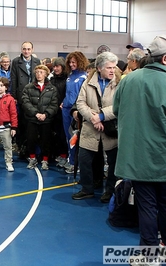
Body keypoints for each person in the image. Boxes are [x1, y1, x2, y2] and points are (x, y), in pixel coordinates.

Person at [113, 35, 166, 257]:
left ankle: (149, 254)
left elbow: (116, 110)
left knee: (147, 207)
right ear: (165, 58)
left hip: (137, 158)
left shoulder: (128, 80)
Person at [71, 52, 120, 203]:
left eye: (114, 67)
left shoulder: (119, 83)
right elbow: (80, 103)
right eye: (108, 67)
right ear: (99, 68)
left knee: (113, 162)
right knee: (84, 160)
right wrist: (93, 117)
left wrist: (101, 116)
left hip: (111, 129)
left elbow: (120, 105)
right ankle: (87, 189)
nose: (112, 70)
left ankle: (110, 191)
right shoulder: (88, 82)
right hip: (90, 128)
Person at [21, 65, 58, 170]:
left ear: (46, 74)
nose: (39, 74)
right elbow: (25, 102)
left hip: (46, 120)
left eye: (41, 72)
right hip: (32, 119)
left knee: (46, 140)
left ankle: (45, 160)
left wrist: (45, 114)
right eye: (37, 72)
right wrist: (35, 113)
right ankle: (32, 158)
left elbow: (54, 104)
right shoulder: (28, 87)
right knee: (31, 139)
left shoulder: (52, 89)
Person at [10, 41, 41, 157]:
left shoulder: (37, 61)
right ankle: (21, 146)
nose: (26, 51)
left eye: (28, 49)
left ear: (32, 50)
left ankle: (31, 147)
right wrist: (14, 96)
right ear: (21, 50)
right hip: (21, 95)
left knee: (32, 123)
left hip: (34, 94)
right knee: (22, 122)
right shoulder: (16, 62)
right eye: (24, 49)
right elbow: (13, 80)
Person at [61, 51, 89, 174]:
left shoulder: (84, 77)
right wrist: (63, 102)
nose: (71, 64)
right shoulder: (70, 76)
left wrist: (76, 109)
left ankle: (74, 163)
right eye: (70, 62)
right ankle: (70, 159)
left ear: (80, 62)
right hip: (65, 110)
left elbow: (82, 96)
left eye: (74, 62)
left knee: (75, 137)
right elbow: (68, 93)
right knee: (68, 137)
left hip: (75, 111)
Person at [49, 57, 68, 167]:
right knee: (55, 134)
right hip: (53, 110)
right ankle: (57, 154)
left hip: (63, 110)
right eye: (54, 66)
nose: (55, 68)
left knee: (63, 135)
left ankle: (64, 155)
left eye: (58, 66)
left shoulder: (67, 79)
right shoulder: (52, 80)